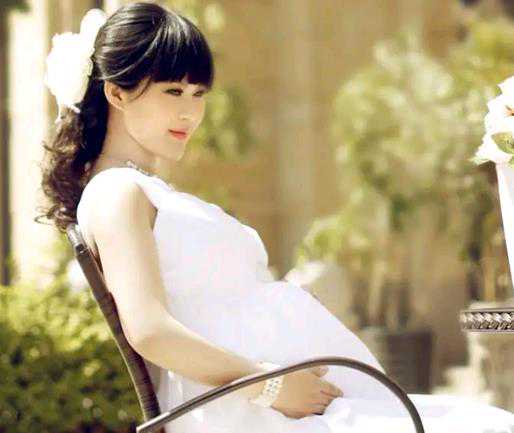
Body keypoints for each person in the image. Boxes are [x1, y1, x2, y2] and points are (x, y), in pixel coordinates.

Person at [37, 2, 514, 432]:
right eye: (173, 91)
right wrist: (269, 385)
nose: (190, 113)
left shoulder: (144, 189)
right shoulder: (116, 192)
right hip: (249, 411)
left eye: (199, 93)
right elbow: (149, 330)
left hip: (288, 402)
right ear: (117, 94)